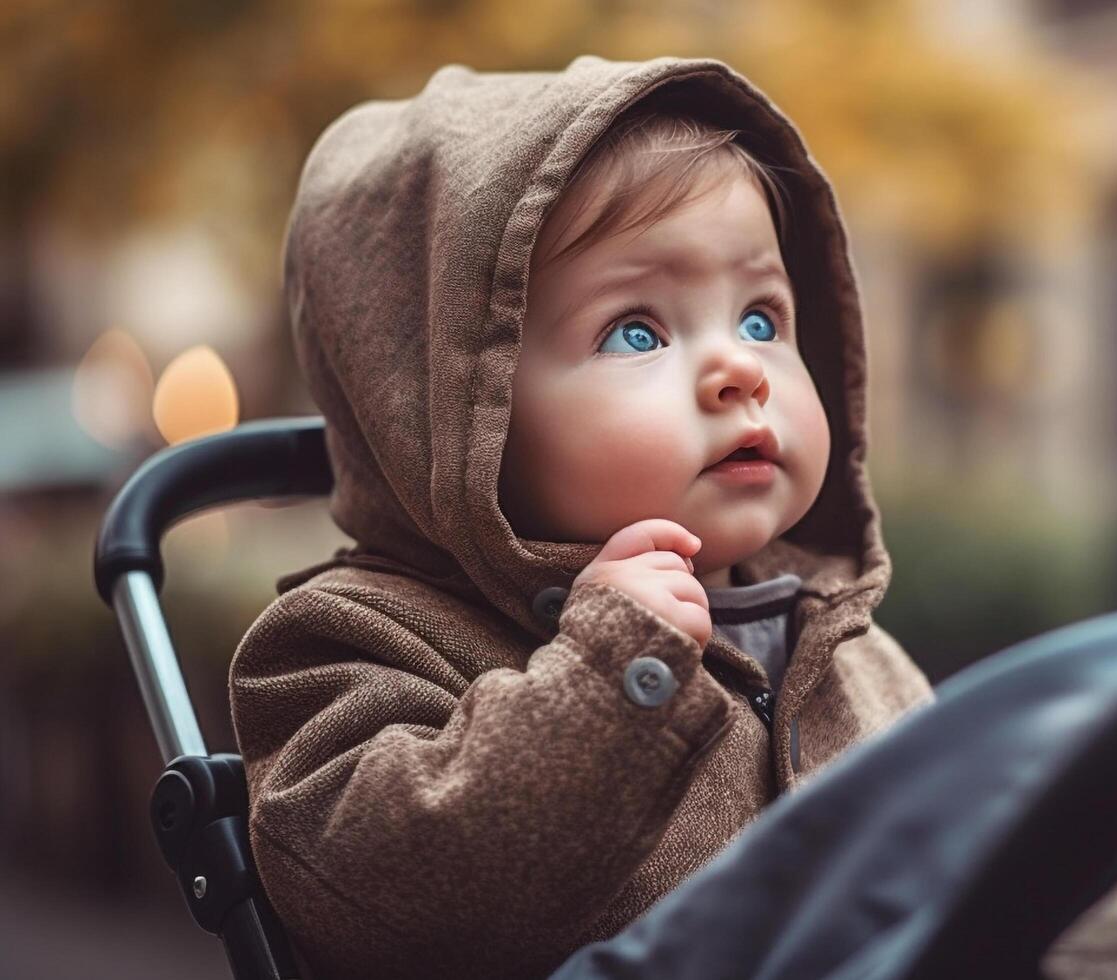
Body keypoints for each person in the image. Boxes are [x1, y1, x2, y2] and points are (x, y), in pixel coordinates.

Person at [228, 56, 933, 980]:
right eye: (636, 330)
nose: (741, 368)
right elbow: (394, 899)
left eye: (762, 318)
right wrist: (610, 676)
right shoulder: (349, 644)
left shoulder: (847, 643)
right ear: (452, 415)